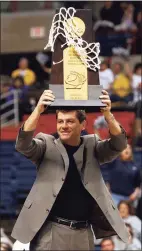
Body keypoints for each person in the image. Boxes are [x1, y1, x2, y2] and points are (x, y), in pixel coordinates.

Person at [11, 89, 129, 250]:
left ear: (83, 125)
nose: (64, 126)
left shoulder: (92, 145)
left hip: (83, 232)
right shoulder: (46, 144)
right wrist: (38, 110)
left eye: (70, 121)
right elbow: (23, 145)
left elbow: (119, 144)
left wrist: (108, 114)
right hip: (51, 231)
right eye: (60, 121)